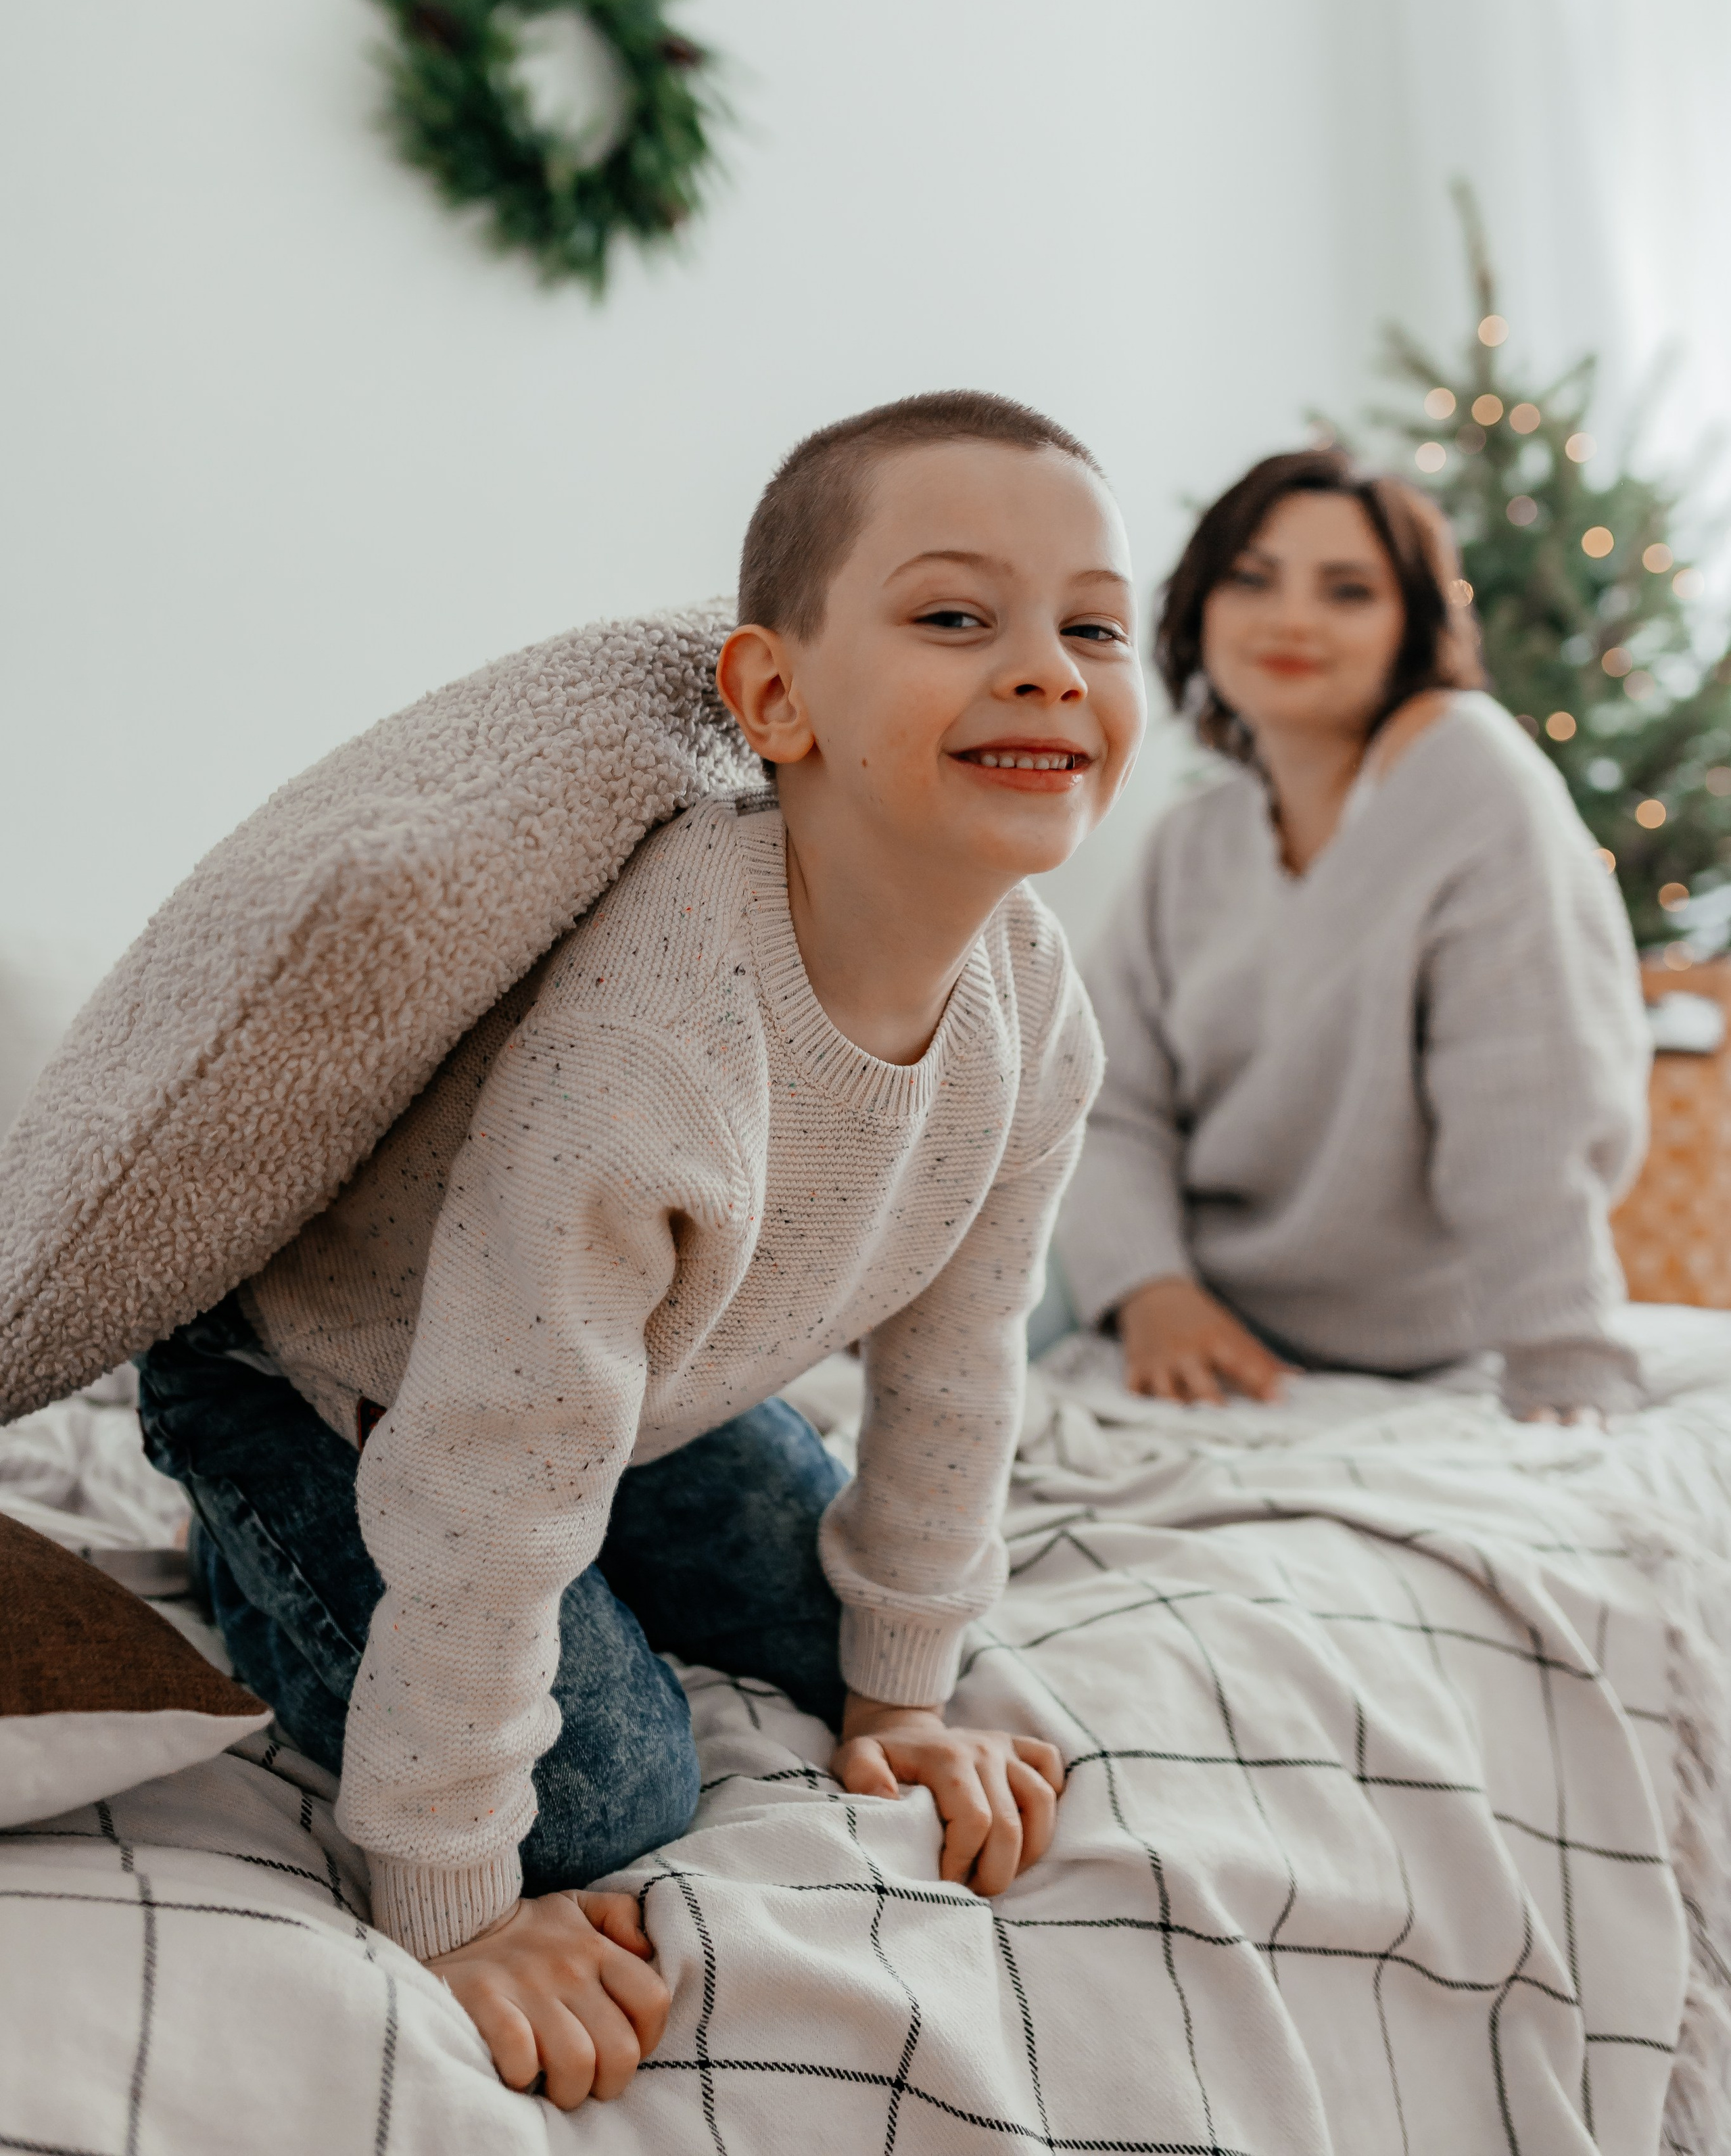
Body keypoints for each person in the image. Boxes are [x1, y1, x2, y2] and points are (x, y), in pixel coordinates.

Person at [138, 390, 1145, 2110]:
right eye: (955, 617)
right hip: (340, 1388)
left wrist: (903, 1693)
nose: (1049, 667)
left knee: (839, 1623)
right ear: (772, 695)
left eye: (1095, 625)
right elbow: (494, 1444)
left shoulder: (1035, 1005)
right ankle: (247, 1555)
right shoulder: (666, 1021)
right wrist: (451, 1902)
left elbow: (961, 1358)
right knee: (604, 1795)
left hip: (638, 1389)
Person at [1056, 444, 1650, 1424]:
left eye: (1348, 590)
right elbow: (1105, 1103)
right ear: (1199, 608)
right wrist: (1150, 1291)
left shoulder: (1470, 773)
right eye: (1251, 579)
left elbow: (1525, 1100)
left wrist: (1563, 1361)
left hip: (1426, 1353)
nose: (1291, 618)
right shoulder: (1188, 843)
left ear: (1411, 626)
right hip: (1197, 1329)